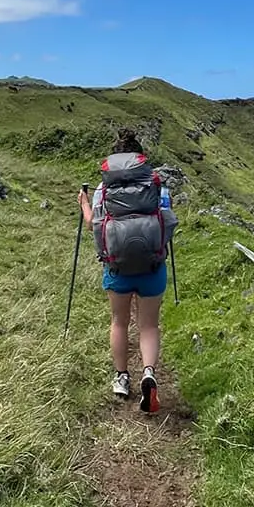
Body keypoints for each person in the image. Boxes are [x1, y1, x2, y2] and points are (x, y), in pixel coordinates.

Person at [78, 127, 175, 413]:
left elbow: (92, 224)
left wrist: (83, 204)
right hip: (152, 267)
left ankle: (121, 378)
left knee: (119, 322)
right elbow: (167, 220)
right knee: (149, 325)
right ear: (140, 158)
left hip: (117, 267)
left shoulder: (103, 190)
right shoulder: (156, 185)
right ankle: (148, 373)